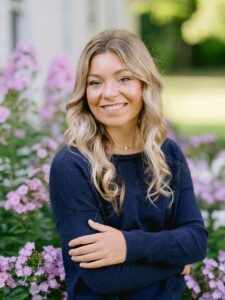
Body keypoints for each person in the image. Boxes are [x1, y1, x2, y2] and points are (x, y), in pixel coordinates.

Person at [49, 29, 208, 300]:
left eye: (124, 78)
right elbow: (103, 278)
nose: (109, 93)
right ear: (84, 91)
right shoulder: (71, 164)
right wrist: (175, 263)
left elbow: (196, 242)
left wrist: (127, 245)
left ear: (144, 84)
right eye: (95, 82)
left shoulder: (167, 154)